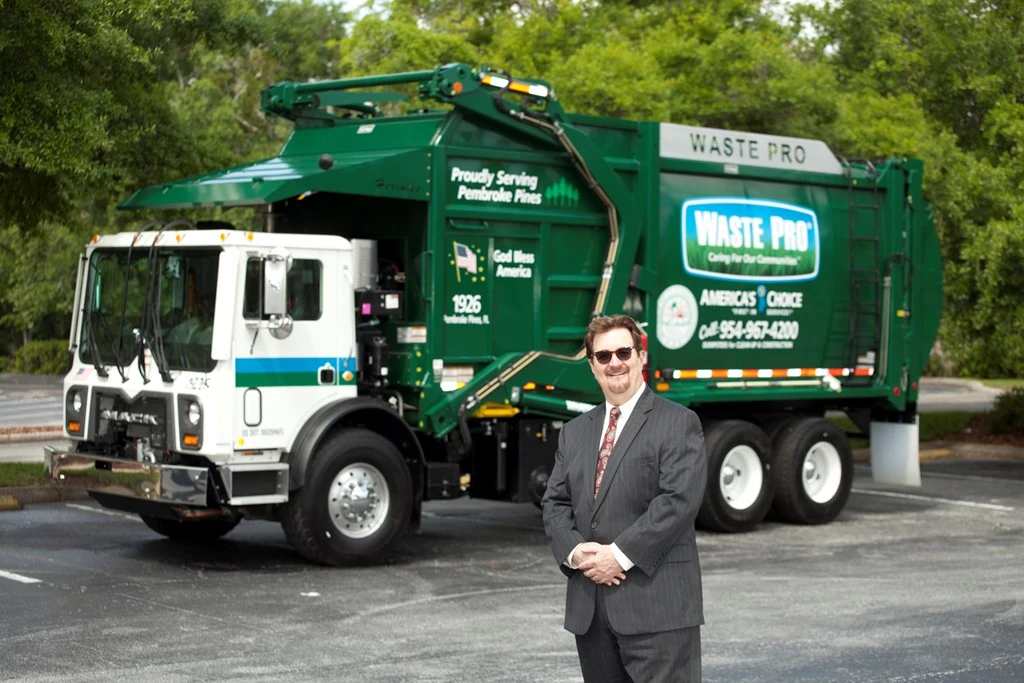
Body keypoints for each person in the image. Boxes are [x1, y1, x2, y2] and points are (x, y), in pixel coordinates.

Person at [542, 314, 707, 682]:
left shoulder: (677, 422)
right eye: (603, 356)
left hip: (658, 609)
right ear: (592, 366)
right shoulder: (574, 432)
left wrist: (617, 556)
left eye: (623, 352)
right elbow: (555, 503)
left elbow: (677, 501)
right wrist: (576, 552)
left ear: (640, 356)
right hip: (591, 614)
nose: (614, 363)